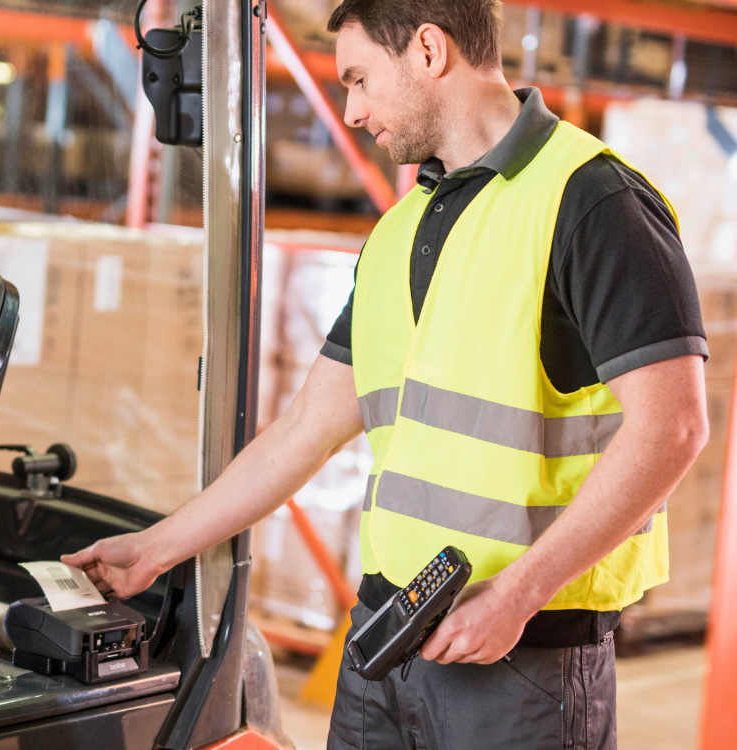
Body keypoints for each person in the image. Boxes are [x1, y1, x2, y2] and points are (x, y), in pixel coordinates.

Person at [63, 0, 709, 746]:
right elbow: (305, 429)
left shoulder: (593, 202)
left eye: (361, 78)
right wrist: (154, 548)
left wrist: (518, 595)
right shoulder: (402, 229)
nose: (353, 107)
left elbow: (673, 429)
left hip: (518, 655)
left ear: (429, 51)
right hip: (385, 640)